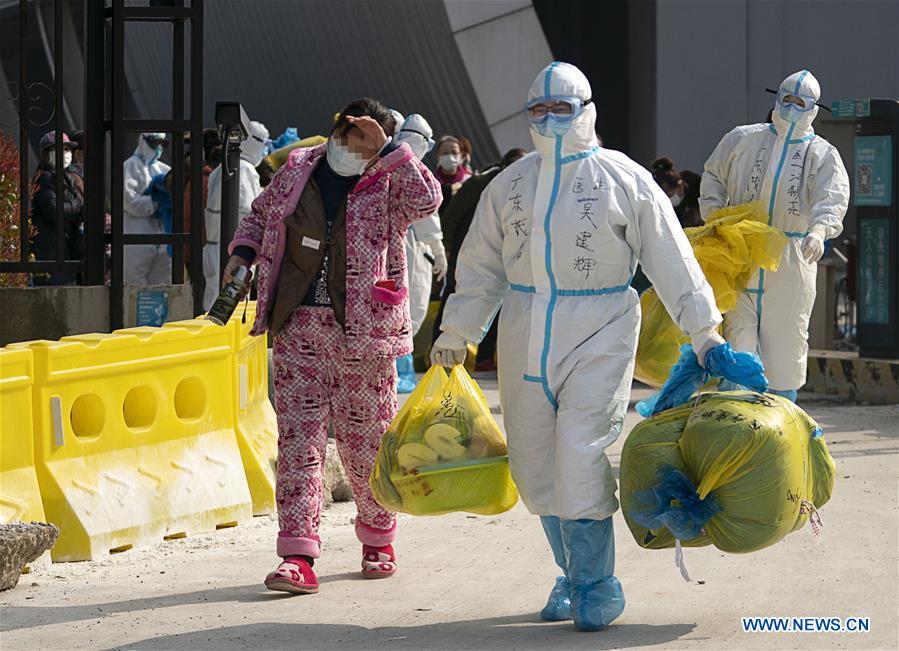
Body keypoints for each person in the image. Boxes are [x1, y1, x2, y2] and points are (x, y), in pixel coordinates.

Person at [431, 62, 733, 631]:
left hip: (601, 325)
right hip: (525, 326)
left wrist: (704, 328)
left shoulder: (622, 177)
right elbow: (479, 266)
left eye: (560, 110)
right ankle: (570, 574)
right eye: (538, 111)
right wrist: (457, 331)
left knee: (579, 449)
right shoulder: (510, 184)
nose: (548, 121)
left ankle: (599, 583)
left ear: (586, 110)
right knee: (535, 464)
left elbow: (671, 257)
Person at [221, 97, 441, 594]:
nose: (354, 142)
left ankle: (378, 538)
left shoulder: (390, 178)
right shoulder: (300, 166)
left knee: (367, 448)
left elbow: (429, 202)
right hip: (299, 326)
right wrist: (243, 253)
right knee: (299, 444)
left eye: (367, 136)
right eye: (349, 131)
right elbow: (261, 214)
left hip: (366, 334)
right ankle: (297, 556)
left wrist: (391, 152)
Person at [700, 69, 850, 402]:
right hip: (741, 251)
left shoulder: (822, 154)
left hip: (791, 258)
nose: (793, 109)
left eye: (802, 103)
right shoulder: (743, 138)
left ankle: (779, 420)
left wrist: (820, 230)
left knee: (786, 344)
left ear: (814, 109)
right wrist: (713, 212)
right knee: (738, 339)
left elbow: (833, 196)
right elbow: (713, 174)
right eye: (788, 100)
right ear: (776, 99)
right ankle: (736, 419)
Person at [431, 147, 528, 368]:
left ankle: (484, 357)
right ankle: (441, 350)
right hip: (469, 252)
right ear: (504, 168)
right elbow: (453, 216)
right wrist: (443, 249)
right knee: (458, 296)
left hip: (508, 258)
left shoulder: (532, 187)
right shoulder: (483, 184)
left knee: (498, 304)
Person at [392, 112, 448, 392]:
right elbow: (428, 215)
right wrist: (439, 249)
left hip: (400, 246)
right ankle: (397, 372)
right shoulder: (409, 165)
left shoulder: (387, 160)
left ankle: (397, 370)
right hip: (410, 249)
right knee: (409, 310)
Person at [203, 120, 268, 309]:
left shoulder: (226, 166)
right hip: (233, 251)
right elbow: (251, 214)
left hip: (219, 248)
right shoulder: (244, 169)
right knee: (227, 305)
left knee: (214, 301)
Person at [30, 131, 83, 285]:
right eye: (58, 149)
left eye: (67, 149)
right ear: (46, 154)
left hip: (66, 248)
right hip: (51, 251)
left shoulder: (69, 176)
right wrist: (78, 205)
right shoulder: (44, 177)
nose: (65, 153)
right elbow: (53, 210)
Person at [123, 132, 171, 284]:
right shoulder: (130, 166)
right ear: (143, 141)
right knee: (134, 284)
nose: (158, 148)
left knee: (162, 286)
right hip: (137, 236)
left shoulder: (164, 169)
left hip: (163, 237)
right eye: (154, 143)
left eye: (162, 144)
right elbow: (129, 201)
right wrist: (156, 203)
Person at [433, 135, 471, 215]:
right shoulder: (432, 184)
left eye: (454, 153)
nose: (450, 156)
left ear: (461, 155)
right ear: (438, 156)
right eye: (445, 153)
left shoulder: (469, 180)